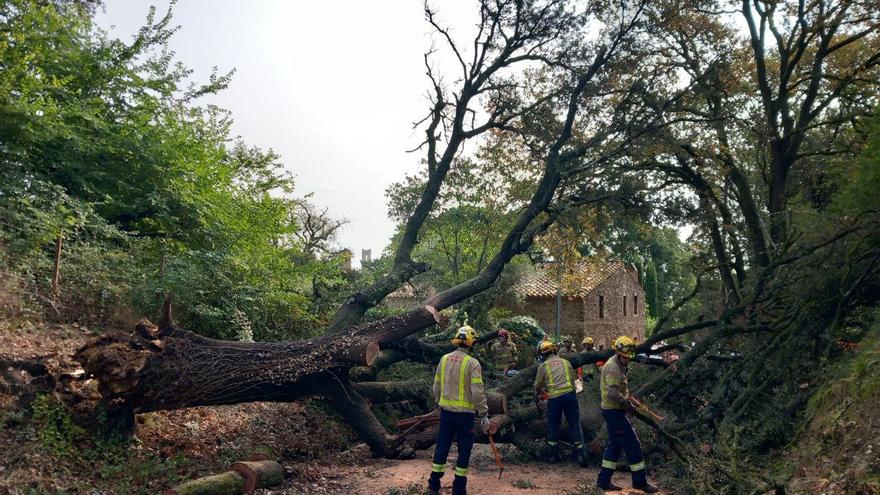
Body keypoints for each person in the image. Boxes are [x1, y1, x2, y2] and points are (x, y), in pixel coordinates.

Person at [428, 325, 491, 495]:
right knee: (464, 450)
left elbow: (436, 385)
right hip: (465, 416)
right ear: (472, 343)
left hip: (446, 413)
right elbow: (477, 391)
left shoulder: (444, 359)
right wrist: (484, 413)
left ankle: (433, 485)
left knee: (442, 446)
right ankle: (459, 488)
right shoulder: (472, 363)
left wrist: (439, 401)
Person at [596, 336, 659, 493]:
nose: (628, 359)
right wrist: (625, 403)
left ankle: (603, 481)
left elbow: (620, 388)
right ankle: (640, 482)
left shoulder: (620, 364)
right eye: (625, 356)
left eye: (630, 356)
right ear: (618, 353)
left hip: (614, 410)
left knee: (614, 445)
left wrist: (627, 398)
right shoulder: (612, 367)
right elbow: (612, 392)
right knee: (633, 444)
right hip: (613, 412)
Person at [534, 340, 588, 466]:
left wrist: (540, 393)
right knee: (574, 424)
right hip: (570, 395)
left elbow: (537, 385)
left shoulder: (543, 366)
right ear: (554, 351)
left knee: (553, 425)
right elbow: (572, 380)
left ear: (542, 354)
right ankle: (581, 453)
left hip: (554, 398)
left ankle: (553, 455)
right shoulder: (566, 362)